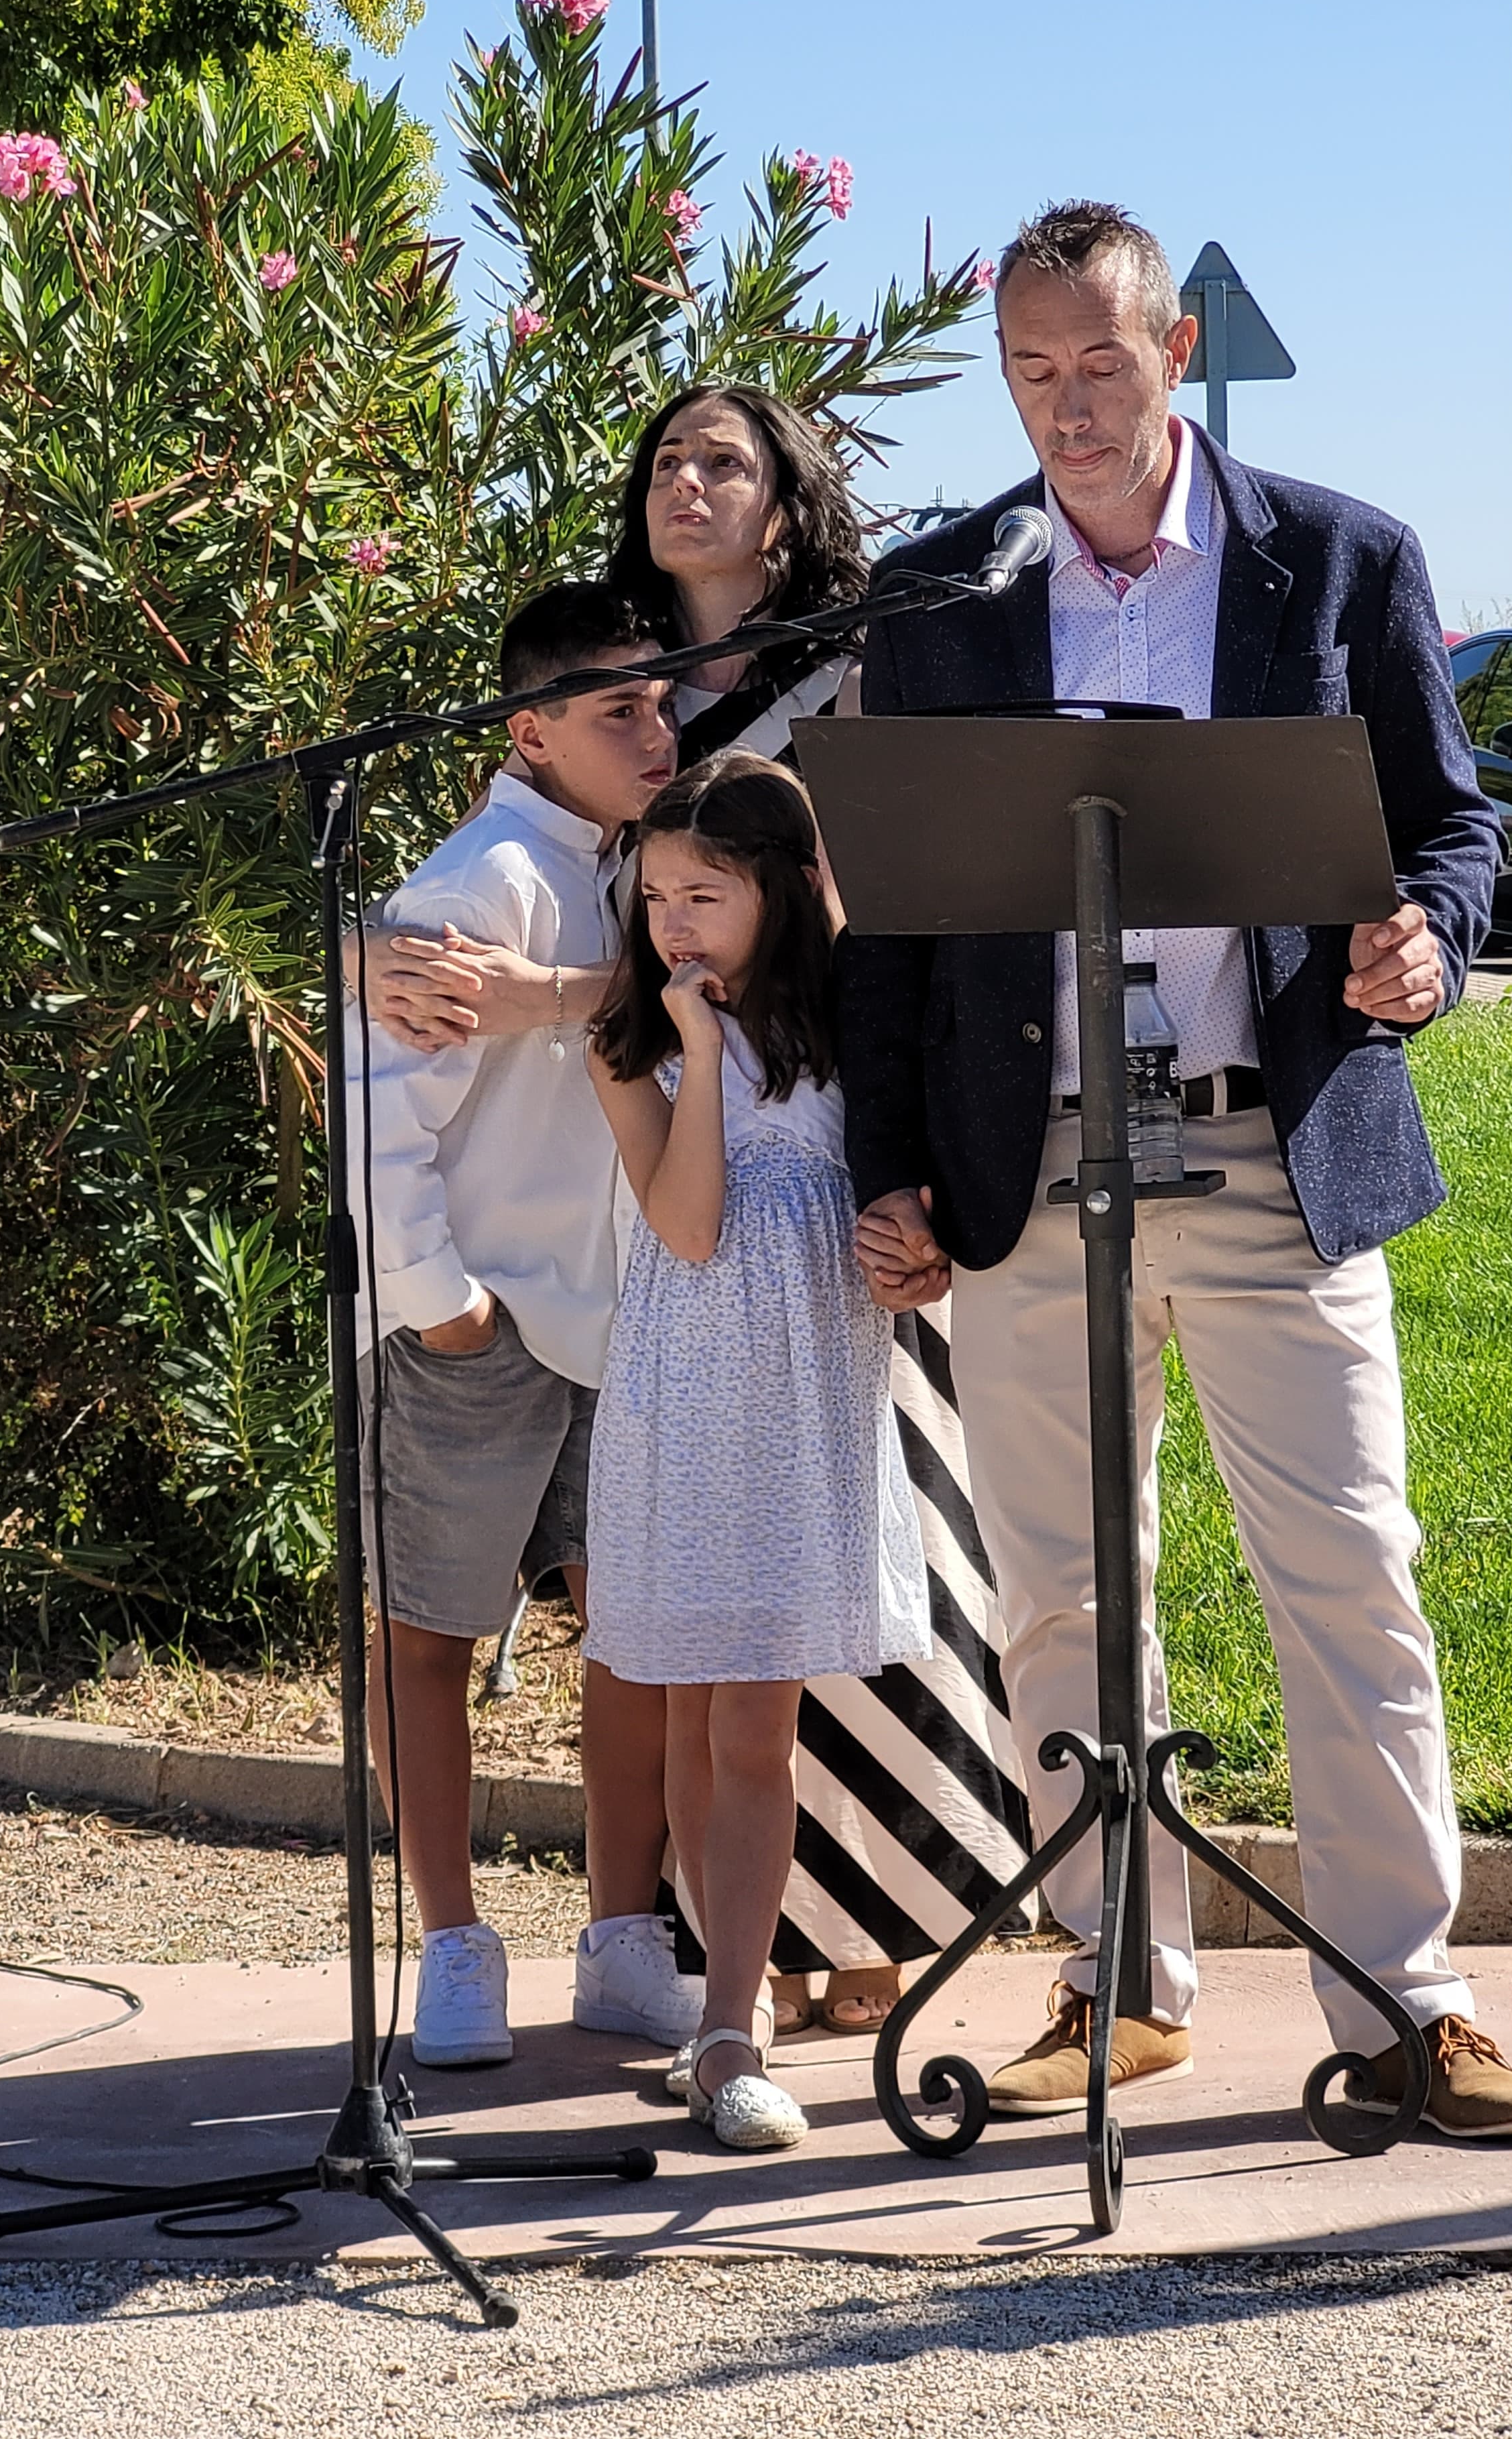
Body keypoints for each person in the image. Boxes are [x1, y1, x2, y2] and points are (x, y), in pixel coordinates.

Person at [842, 200, 1512, 2141]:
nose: (1065, 408)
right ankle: (1118, 1981)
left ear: (1174, 357)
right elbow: (893, 935)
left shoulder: (1339, 560)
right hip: (1027, 1169)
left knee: (1351, 1581)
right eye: (1029, 372)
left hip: (1272, 1149)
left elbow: (1452, 832)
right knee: (1069, 1603)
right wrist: (895, 1175)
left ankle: (1412, 2000)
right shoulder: (942, 601)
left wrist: (1428, 941)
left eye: (1098, 362)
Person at [349, 383, 1031, 2041]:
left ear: (791, 505)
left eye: (728, 460)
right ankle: (675, 1950)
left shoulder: (856, 675)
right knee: (666, 1623)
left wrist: (547, 1003)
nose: (688, 482)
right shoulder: (606, 690)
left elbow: (857, 951)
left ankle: (863, 1930)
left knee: (816, 1615)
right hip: (637, 1250)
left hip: (808, 1213)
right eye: (666, 457)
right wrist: (373, 954)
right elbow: (486, 949)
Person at [346, 583, 699, 2068]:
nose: (654, 727)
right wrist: (445, 1310)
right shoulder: (486, 876)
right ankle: (451, 1947)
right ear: (530, 731)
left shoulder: (635, 869)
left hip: (615, 1326)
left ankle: (623, 1940)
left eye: (661, 699)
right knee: (425, 1634)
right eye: (617, 707)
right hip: (477, 1334)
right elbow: (377, 1121)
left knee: (630, 1632)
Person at [584, 751, 930, 2147]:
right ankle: (723, 2011)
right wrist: (707, 1054)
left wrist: (923, 1245)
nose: (674, 921)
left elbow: (910, 1201)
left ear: (783, 890)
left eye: (706, 894)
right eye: (657, 893)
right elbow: (687, 1223)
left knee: (755, 1719)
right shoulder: (634, 1042)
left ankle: (733, 2023)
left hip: (805, 1400)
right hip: (684, 1400)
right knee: (688, 1698)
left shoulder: (861, 1028)